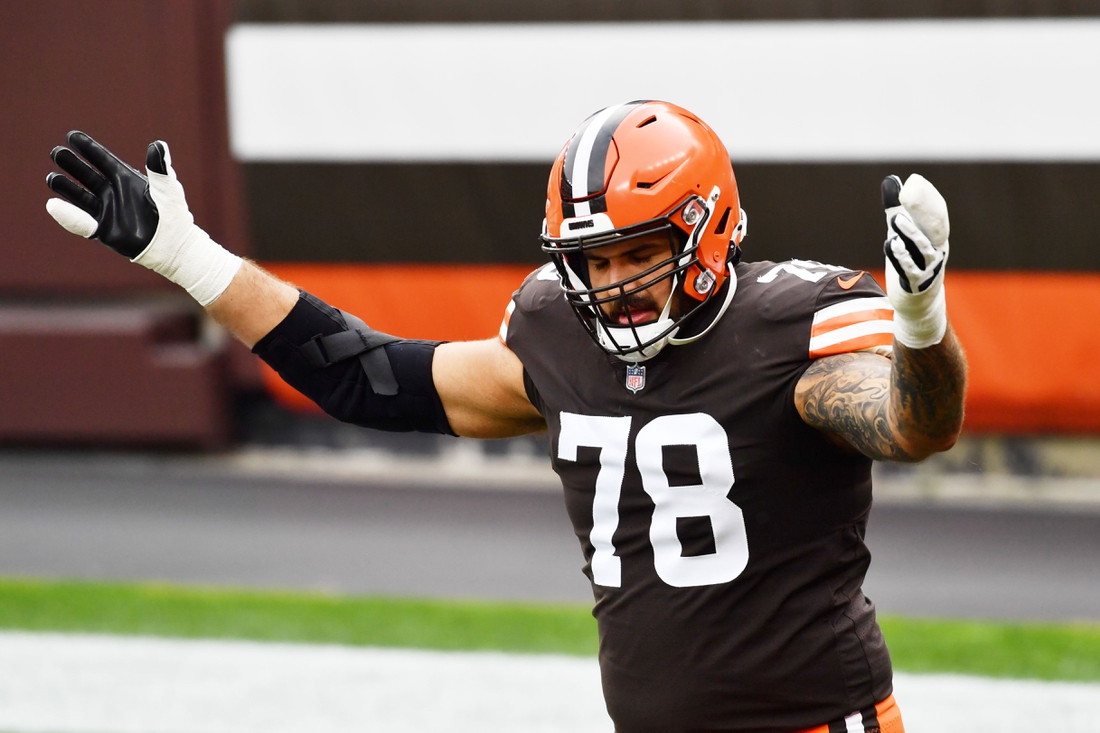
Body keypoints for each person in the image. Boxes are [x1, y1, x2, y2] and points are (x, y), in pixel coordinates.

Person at [45, 100, 965, 733]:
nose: (611, 284)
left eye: (634, 252)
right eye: (591, 260)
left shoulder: (785, 327)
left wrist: (922, 322)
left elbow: (915, 426)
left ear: (708, 230)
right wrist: (186, 255)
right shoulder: (559, 340)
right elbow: (367, 377)